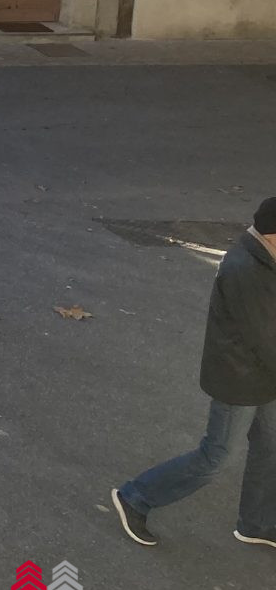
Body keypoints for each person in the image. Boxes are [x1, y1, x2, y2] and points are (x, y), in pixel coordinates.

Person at [113, 198, 276, 550]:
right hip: (240, 381)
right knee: (215, 457)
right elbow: (265, 339)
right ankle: (135, 497)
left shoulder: (265, 257)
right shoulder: (246, 270)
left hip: (264, 376)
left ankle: (257, 523)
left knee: (270, 446)